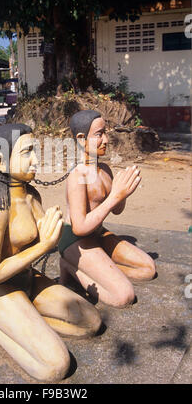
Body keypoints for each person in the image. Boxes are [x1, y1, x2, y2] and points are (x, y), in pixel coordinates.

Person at [0, 123, 102, 382]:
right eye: (27, 152)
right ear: (1, 161)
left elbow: (44, 242)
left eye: (35, 151)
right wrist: (43, 245)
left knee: (91, 323)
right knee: (55, 368)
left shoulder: (31, 196)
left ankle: (28, 324)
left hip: (27, 280)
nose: (35, 160)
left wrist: (51, 235)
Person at [59, 109, 156, 308]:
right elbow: (79, 227)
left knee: (148, 269)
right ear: (80, 138)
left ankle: (104, 270)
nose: (106, 139)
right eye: (99, 134)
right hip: (75, 240)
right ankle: (69, 266)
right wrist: (114, 197)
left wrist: (123, 193)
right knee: (124, 297)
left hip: (97, 233)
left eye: (105, 132)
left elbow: (117, 209)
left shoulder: (104, 170)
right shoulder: (78, 176)